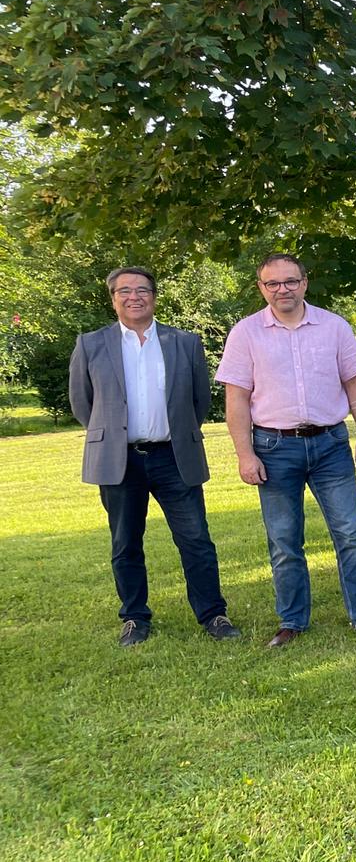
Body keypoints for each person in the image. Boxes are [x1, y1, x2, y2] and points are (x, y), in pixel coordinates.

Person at [216, 253, 356, 646]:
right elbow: (237, 399)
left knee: (350, 533)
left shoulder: (334, 327)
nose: (283, 290)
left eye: (290, 281)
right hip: (274, 447)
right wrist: (245, 454)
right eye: (273, 283)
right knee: (283, 540)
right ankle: (291, 621)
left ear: (305, 282)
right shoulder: (246, 333)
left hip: (331, 444)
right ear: (261, 288)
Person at [68, 267, 238, 646]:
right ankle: (134, 618)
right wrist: (113, 434)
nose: (134, 297)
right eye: (124, 290)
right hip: (120, 460)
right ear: (113, 298)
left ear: (154, 296)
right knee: (126, 542)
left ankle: (213, 615)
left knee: (196, 539)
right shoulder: (91, 344)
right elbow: (83, 403)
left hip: (174, 457)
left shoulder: (185, 342)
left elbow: (199, 401)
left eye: (142, 290)